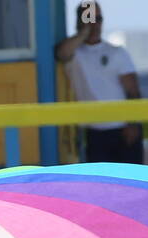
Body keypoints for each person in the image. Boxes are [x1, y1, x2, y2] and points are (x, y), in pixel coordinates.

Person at [54, 1, 143, 164]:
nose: (95, 24)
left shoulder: (117, 52)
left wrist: (133, 124)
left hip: (122, 129)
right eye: (89, 18)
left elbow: (133, 91)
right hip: (94, 131)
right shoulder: (75, 55)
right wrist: (84, 32)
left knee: (130, 184)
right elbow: (61, 53)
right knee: (100, 186)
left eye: (98, 18)